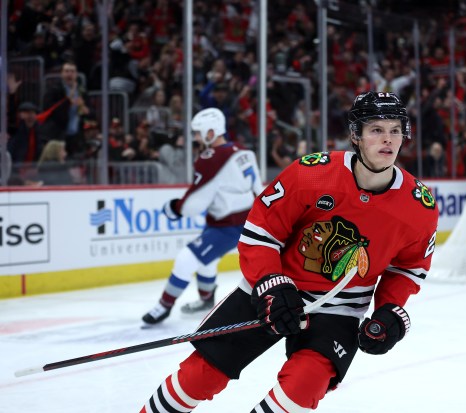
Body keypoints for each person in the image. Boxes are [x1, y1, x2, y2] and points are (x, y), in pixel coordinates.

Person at [139, 92, 439, 412]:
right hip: (274, 291)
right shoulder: (310, 173)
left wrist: (389, 309)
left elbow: (408, 268)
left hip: (339, 311)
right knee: (200, 376)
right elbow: (261, 234)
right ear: (356, 135)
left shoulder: (419, 206)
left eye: (395, 130)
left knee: (302, 387)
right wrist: (272, 282)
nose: (388, 139)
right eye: (376, 129)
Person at [142, 108, 263, 325]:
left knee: (187, 259)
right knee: (207, 260)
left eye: (198, 133)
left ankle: (164, 305)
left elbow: (195, 201)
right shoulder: (245, 152)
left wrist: (176, 208)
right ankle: (206, 300)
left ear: (210, 132)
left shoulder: (212, 158)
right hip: (243, 221)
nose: (196, 138)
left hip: (229, 225)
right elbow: (257, 188)